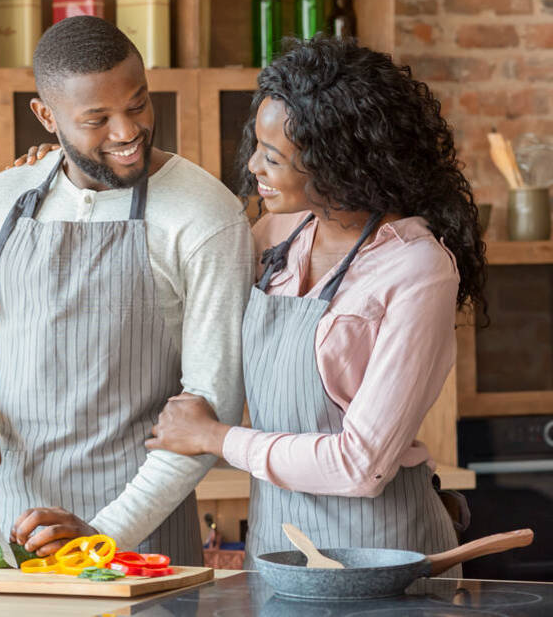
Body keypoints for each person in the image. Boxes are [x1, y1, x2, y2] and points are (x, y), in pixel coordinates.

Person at [0, 16, 253, 565]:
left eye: (138, 104)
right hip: (9, 527)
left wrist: (103, 534)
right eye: (97, 119)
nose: (126, 132)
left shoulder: (204, 214)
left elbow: (212, 403)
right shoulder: (4, 199)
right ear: (46, 116)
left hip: (139, 536)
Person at [144, 36, 487, 570]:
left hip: (384, 557)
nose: (254, 164)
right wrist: (64, 167)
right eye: (257, 144)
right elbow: (189, 234)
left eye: (274, 156)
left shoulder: (417, 269)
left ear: (338, 163)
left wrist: (215, 438)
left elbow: (360, 465)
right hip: (279, 554)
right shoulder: (277, 234)